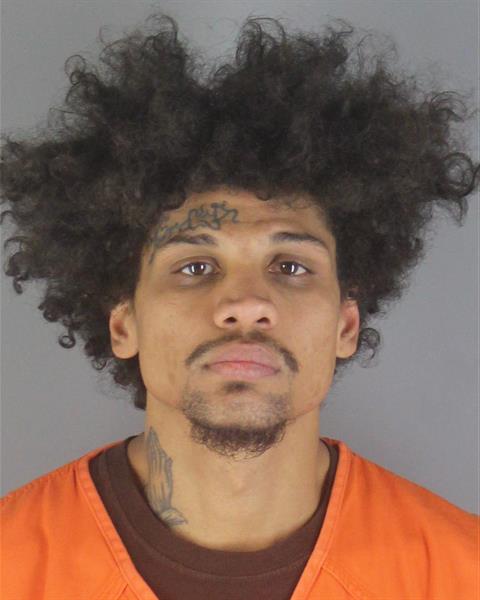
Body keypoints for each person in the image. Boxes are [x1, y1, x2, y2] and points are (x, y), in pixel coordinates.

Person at [1, 12, 478, 600]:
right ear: (124, 323)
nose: (247, 304)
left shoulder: (462, 572)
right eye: (195, 267)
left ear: (346, 325)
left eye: (291, 267)